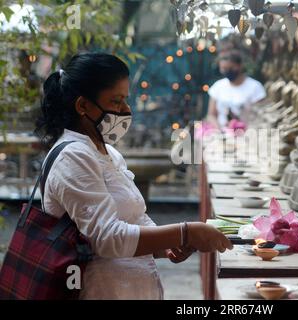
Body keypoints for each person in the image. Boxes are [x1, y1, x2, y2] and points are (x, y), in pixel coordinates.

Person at [35, 52, 233, 300]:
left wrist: (165, 245)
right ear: (83, 106)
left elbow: (134, 218)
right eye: (116, 101)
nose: (126, 110)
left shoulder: (108, 152)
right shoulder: (72, 157)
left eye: (126, 100)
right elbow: (106, 238)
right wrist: (185, 232)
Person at [206, 50, 266, 129]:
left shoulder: (255, 87)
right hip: (221, 134)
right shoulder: (218, 86)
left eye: (230, 68)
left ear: (240, 66)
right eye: (224, 69)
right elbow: (211, 115)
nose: (227, 71)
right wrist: (219, 129)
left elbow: (260, 116)